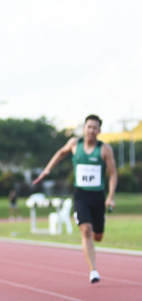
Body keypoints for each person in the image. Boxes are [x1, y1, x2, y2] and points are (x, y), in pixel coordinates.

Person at [33, 114, 117, 284]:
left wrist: (110, 196)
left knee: (98, 236)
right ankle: (93, 270)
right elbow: (60, 153)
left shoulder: (104, 149)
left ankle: (100, 222)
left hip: (98, 195)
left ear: (99, 131)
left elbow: (113, 173)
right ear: (84, 128)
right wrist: (47, 170)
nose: (91, 130)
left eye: (95, 128)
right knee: (85, 229)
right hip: (81, 195)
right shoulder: (74, 144)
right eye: (89, 127)